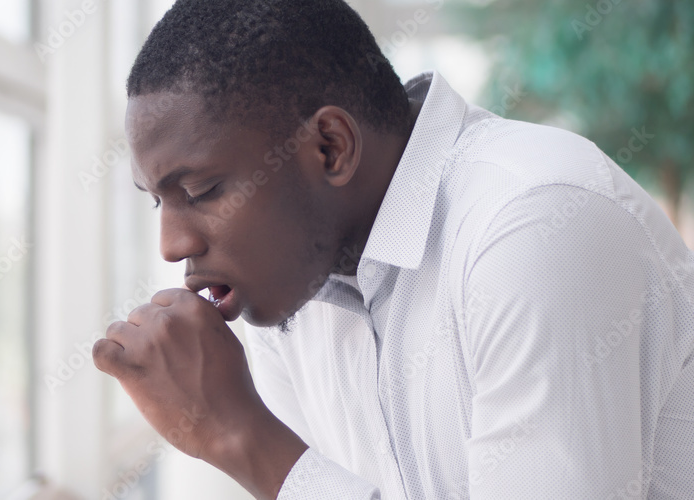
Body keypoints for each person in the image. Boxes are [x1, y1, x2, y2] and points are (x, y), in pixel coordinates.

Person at [92, 0, 694, 498]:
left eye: (200, 191)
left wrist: (245, 439)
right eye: (157, 201)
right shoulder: (294, 288)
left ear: (329, 147)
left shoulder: (536, 225)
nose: (173, 244)